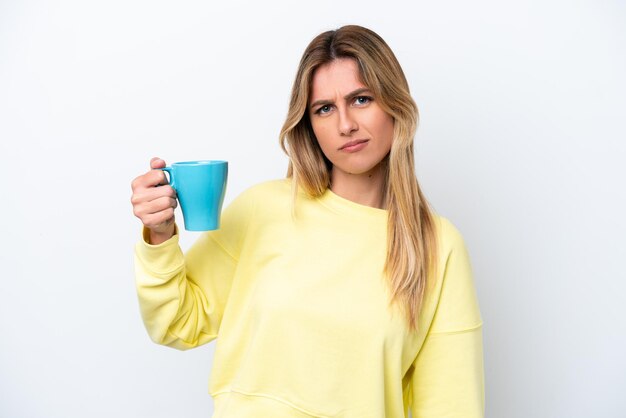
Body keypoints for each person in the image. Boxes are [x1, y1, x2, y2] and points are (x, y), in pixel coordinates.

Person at [131, 25, 484, 418]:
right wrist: (160, 236)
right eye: (325, 109)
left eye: (361, 99)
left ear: (395, 106)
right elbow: (177, 321)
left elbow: (452, 407)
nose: (345, 124)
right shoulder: (262, 210)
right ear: (309, 125)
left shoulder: (437, 246)